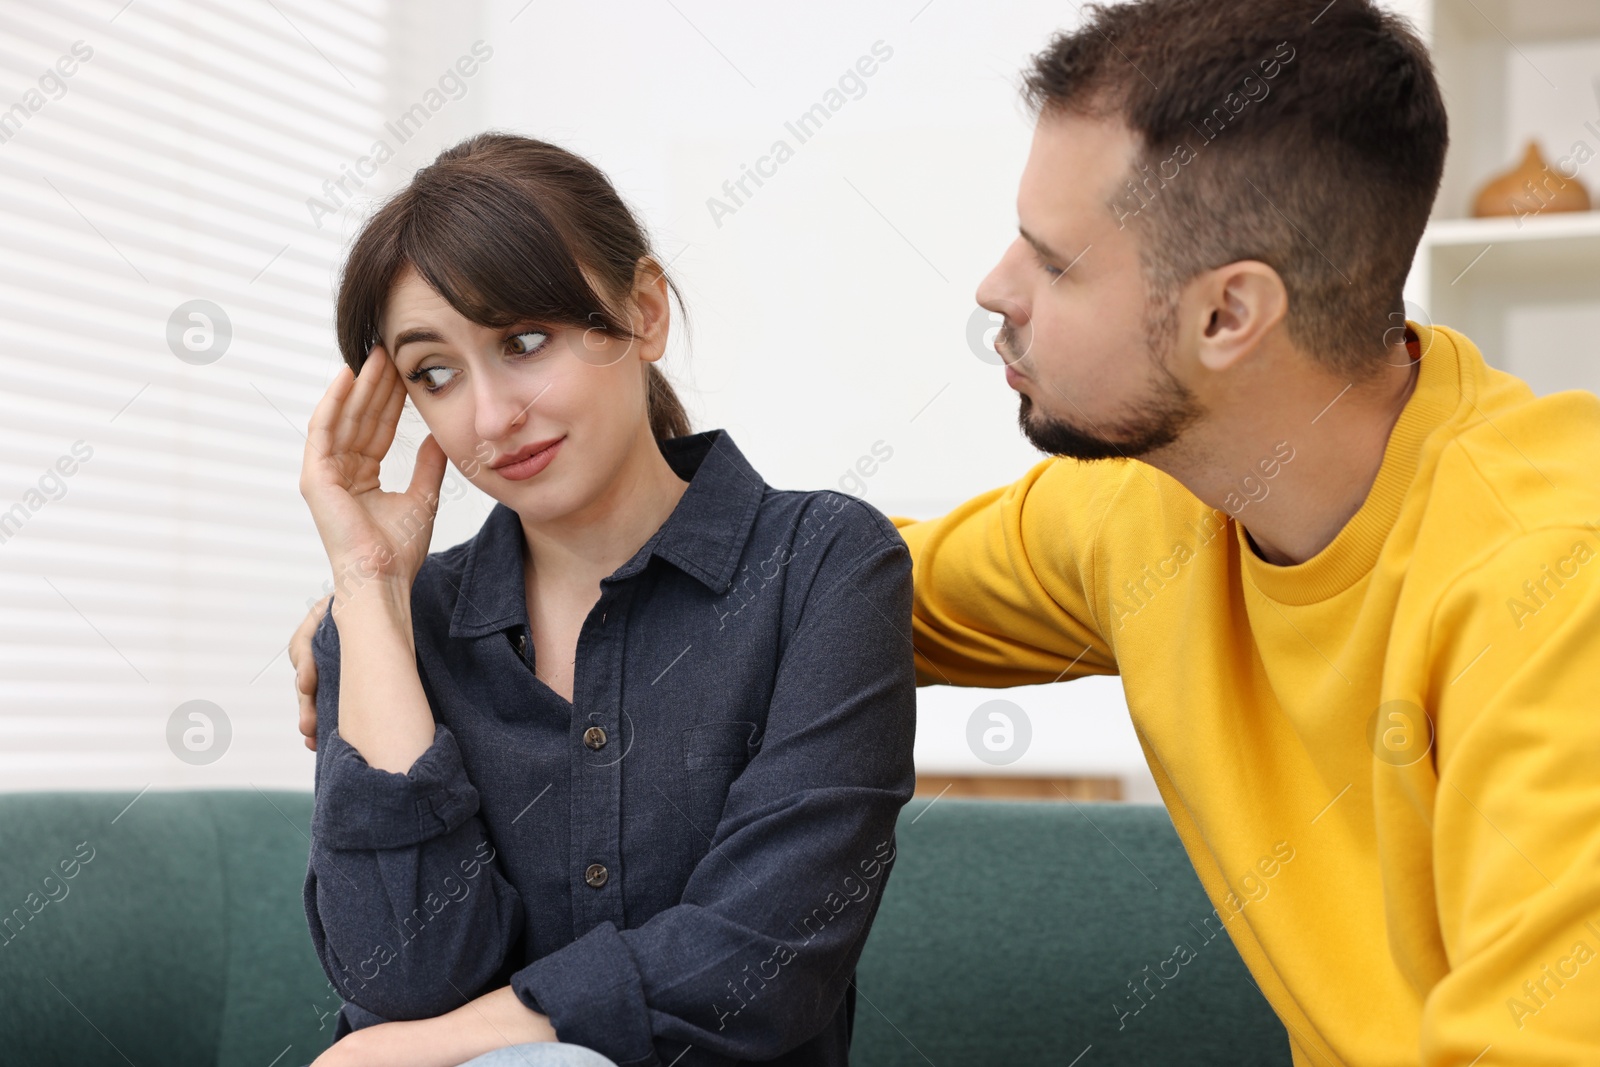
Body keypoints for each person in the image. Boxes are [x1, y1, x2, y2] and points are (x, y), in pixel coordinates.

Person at [293, 4, 1600, 1065]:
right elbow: (776, 588)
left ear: (1227, 315)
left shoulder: (1555, 578)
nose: (994, 287)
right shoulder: (1139, 512)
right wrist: (374, 611)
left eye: (1054, 258)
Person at [292, 132, 916, 1067]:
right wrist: (370, 590)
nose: (492, 416)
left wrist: (429, 1044)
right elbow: (401, 981)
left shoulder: (823, 564)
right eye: (436, 373)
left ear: (645, 311)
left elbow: (761, 961)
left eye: (525, 341)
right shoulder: (391, 626)